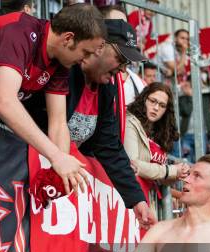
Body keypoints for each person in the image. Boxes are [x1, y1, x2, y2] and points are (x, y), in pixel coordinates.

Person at [0, 4, 106, 194]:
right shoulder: (20, 31)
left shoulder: (61, 60)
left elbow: (59, 123)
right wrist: (56, 157)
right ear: (68, 39)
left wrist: (60, 173)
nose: (85, 60)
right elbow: (4, 101)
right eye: (85, 52)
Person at [66, 19, 154, 224]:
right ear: (99, 46)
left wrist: (137, 200)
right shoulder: (66, 72)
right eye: (120, 59)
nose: (123, 70)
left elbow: (109, 147)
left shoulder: (106, 89)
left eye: (127, 64)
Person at [124, 82, 188, 187]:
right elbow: (133, 164)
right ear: (144, 99)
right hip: (132, 194)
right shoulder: (130, 122)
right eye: (153, 101)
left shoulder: (161, 132)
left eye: (162, 105)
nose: (156, 108)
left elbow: (159, 178)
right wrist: (170, 170)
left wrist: (177, 174)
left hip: (151, 198)